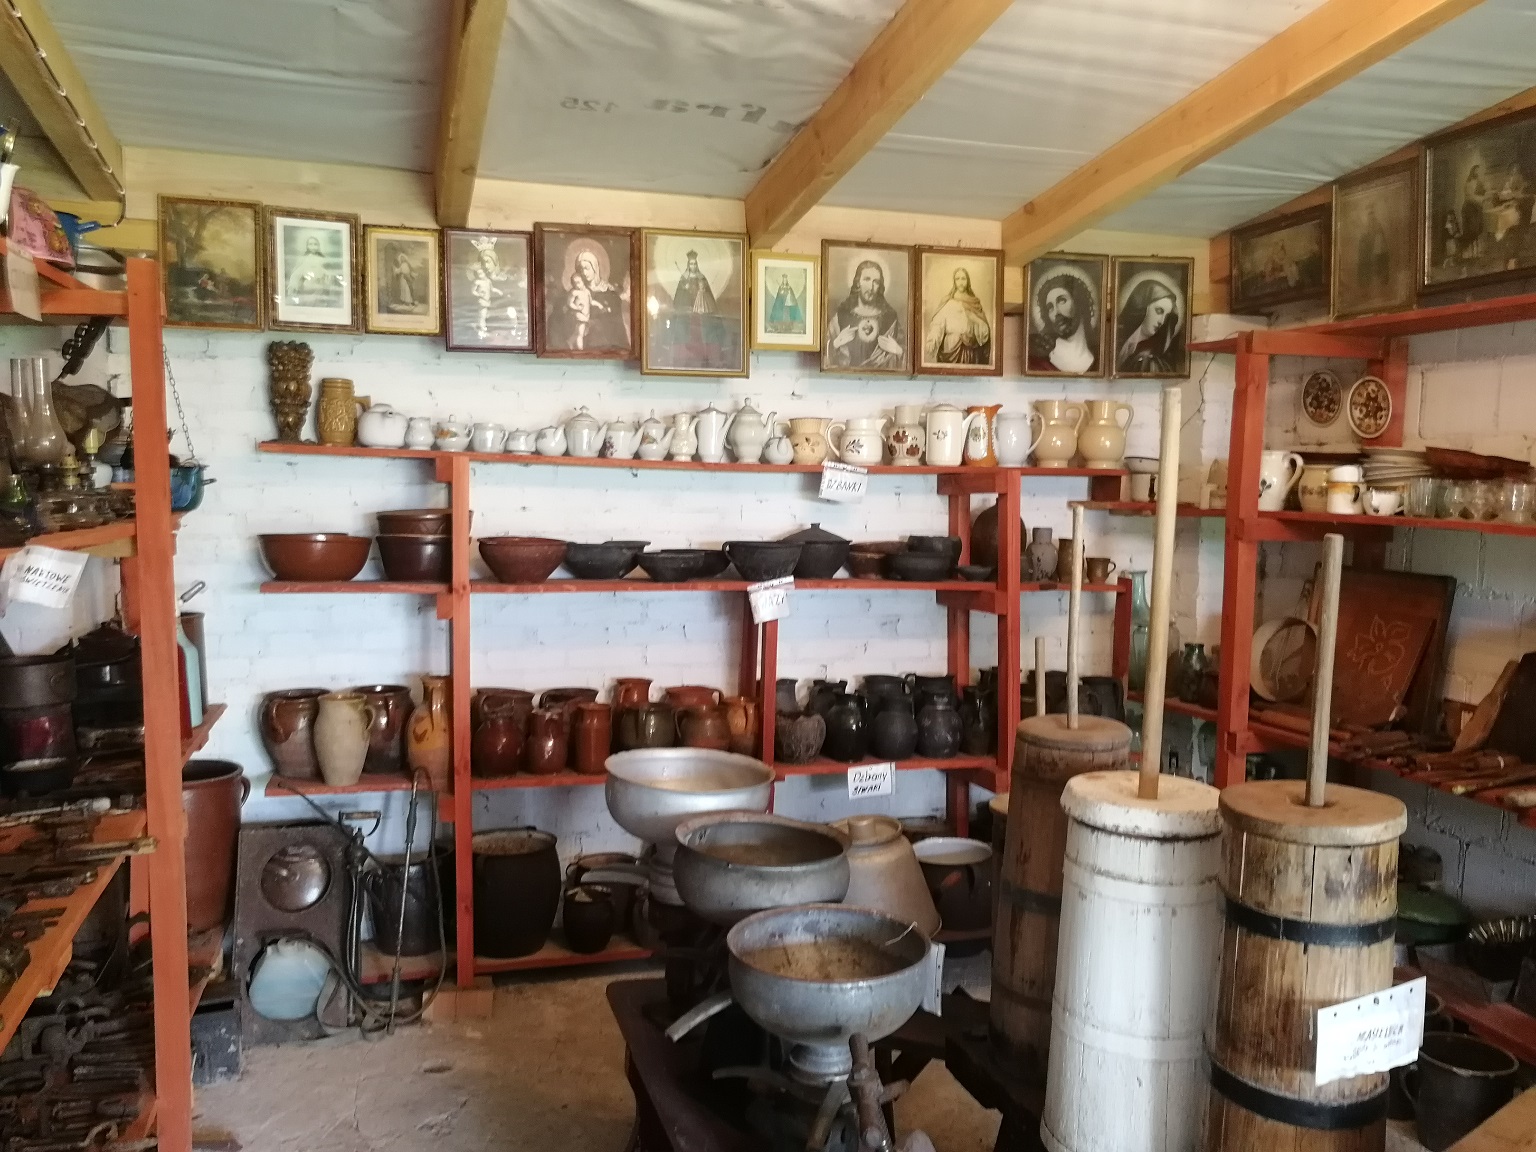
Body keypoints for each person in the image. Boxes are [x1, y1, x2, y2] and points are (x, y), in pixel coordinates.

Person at [826, 259, 905, 370]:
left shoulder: (890, 318)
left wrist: (898, 350)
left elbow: (908, 359)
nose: (871, 287)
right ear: (858, 282)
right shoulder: (841, 316)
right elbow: (824, 356)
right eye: (867, 279)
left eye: (876, 282)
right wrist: (835, 344)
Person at [551, 246, 627, 351]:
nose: (584, 272)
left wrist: (595, 323)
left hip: (602, 345)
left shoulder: (610, 294)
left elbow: (615, 326)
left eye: (587, 268)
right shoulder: (573, 293)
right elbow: (558, 321)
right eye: (580, 269)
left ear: (595, 268)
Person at [1026, 270, 1097, 375]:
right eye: (1050, 308)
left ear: (1079, 302)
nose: (1056, 312)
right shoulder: (1039, 363)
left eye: (1062, 301)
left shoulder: (1098, 360)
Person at [924, 267, 991, 365]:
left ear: (968, 281)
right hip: (950, 346)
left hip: (970, 350)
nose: (961, 282)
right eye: (957, 279)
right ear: (954, 282)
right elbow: (938, 324)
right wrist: (932, 341)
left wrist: (975, 320)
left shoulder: (974, 303)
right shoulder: (948, 301)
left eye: (963, 279)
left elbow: (984, 330)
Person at [1115, 277, 1182, 376]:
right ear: (1142, 307)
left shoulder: (1149, 359)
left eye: (1167, 316)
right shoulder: (1120, 344)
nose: (1162, 321)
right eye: (1159, 311)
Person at [285, 234, 333, 306]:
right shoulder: (304, 258)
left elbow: (327, 271)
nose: (313, 247)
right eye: (310, 244)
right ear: (307, 246)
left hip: (319, 283)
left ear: (318, 246)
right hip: (307, 283)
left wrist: (325, 276)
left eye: (315, 244)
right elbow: (299, 271)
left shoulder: (323, 259)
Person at [1356, 205, 1391, 290]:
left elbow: (1379, 237)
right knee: (1370, 265)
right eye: (1369, 215)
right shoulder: (1367, 227)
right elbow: (1366, 237)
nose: (1370, 218)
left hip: (1379, 249)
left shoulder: (1377, 225)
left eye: (1372, 215)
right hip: (1371, 249)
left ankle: (1382, 282)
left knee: (1380, 264)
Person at [1461, 164, 1487, 261]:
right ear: (1473, 172)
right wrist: (1482, 198)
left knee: (1478, 230)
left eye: (1479, 171)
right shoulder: (1469, 183)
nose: (1478, 173)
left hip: (1477, 209)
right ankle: (1469, 253)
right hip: (1469, 209)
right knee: (1471, 231)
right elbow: (1470, 198)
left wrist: (1486, 195)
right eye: (1477, 171)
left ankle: (1476, 252)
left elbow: (1484, 193)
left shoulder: (1480, 183)